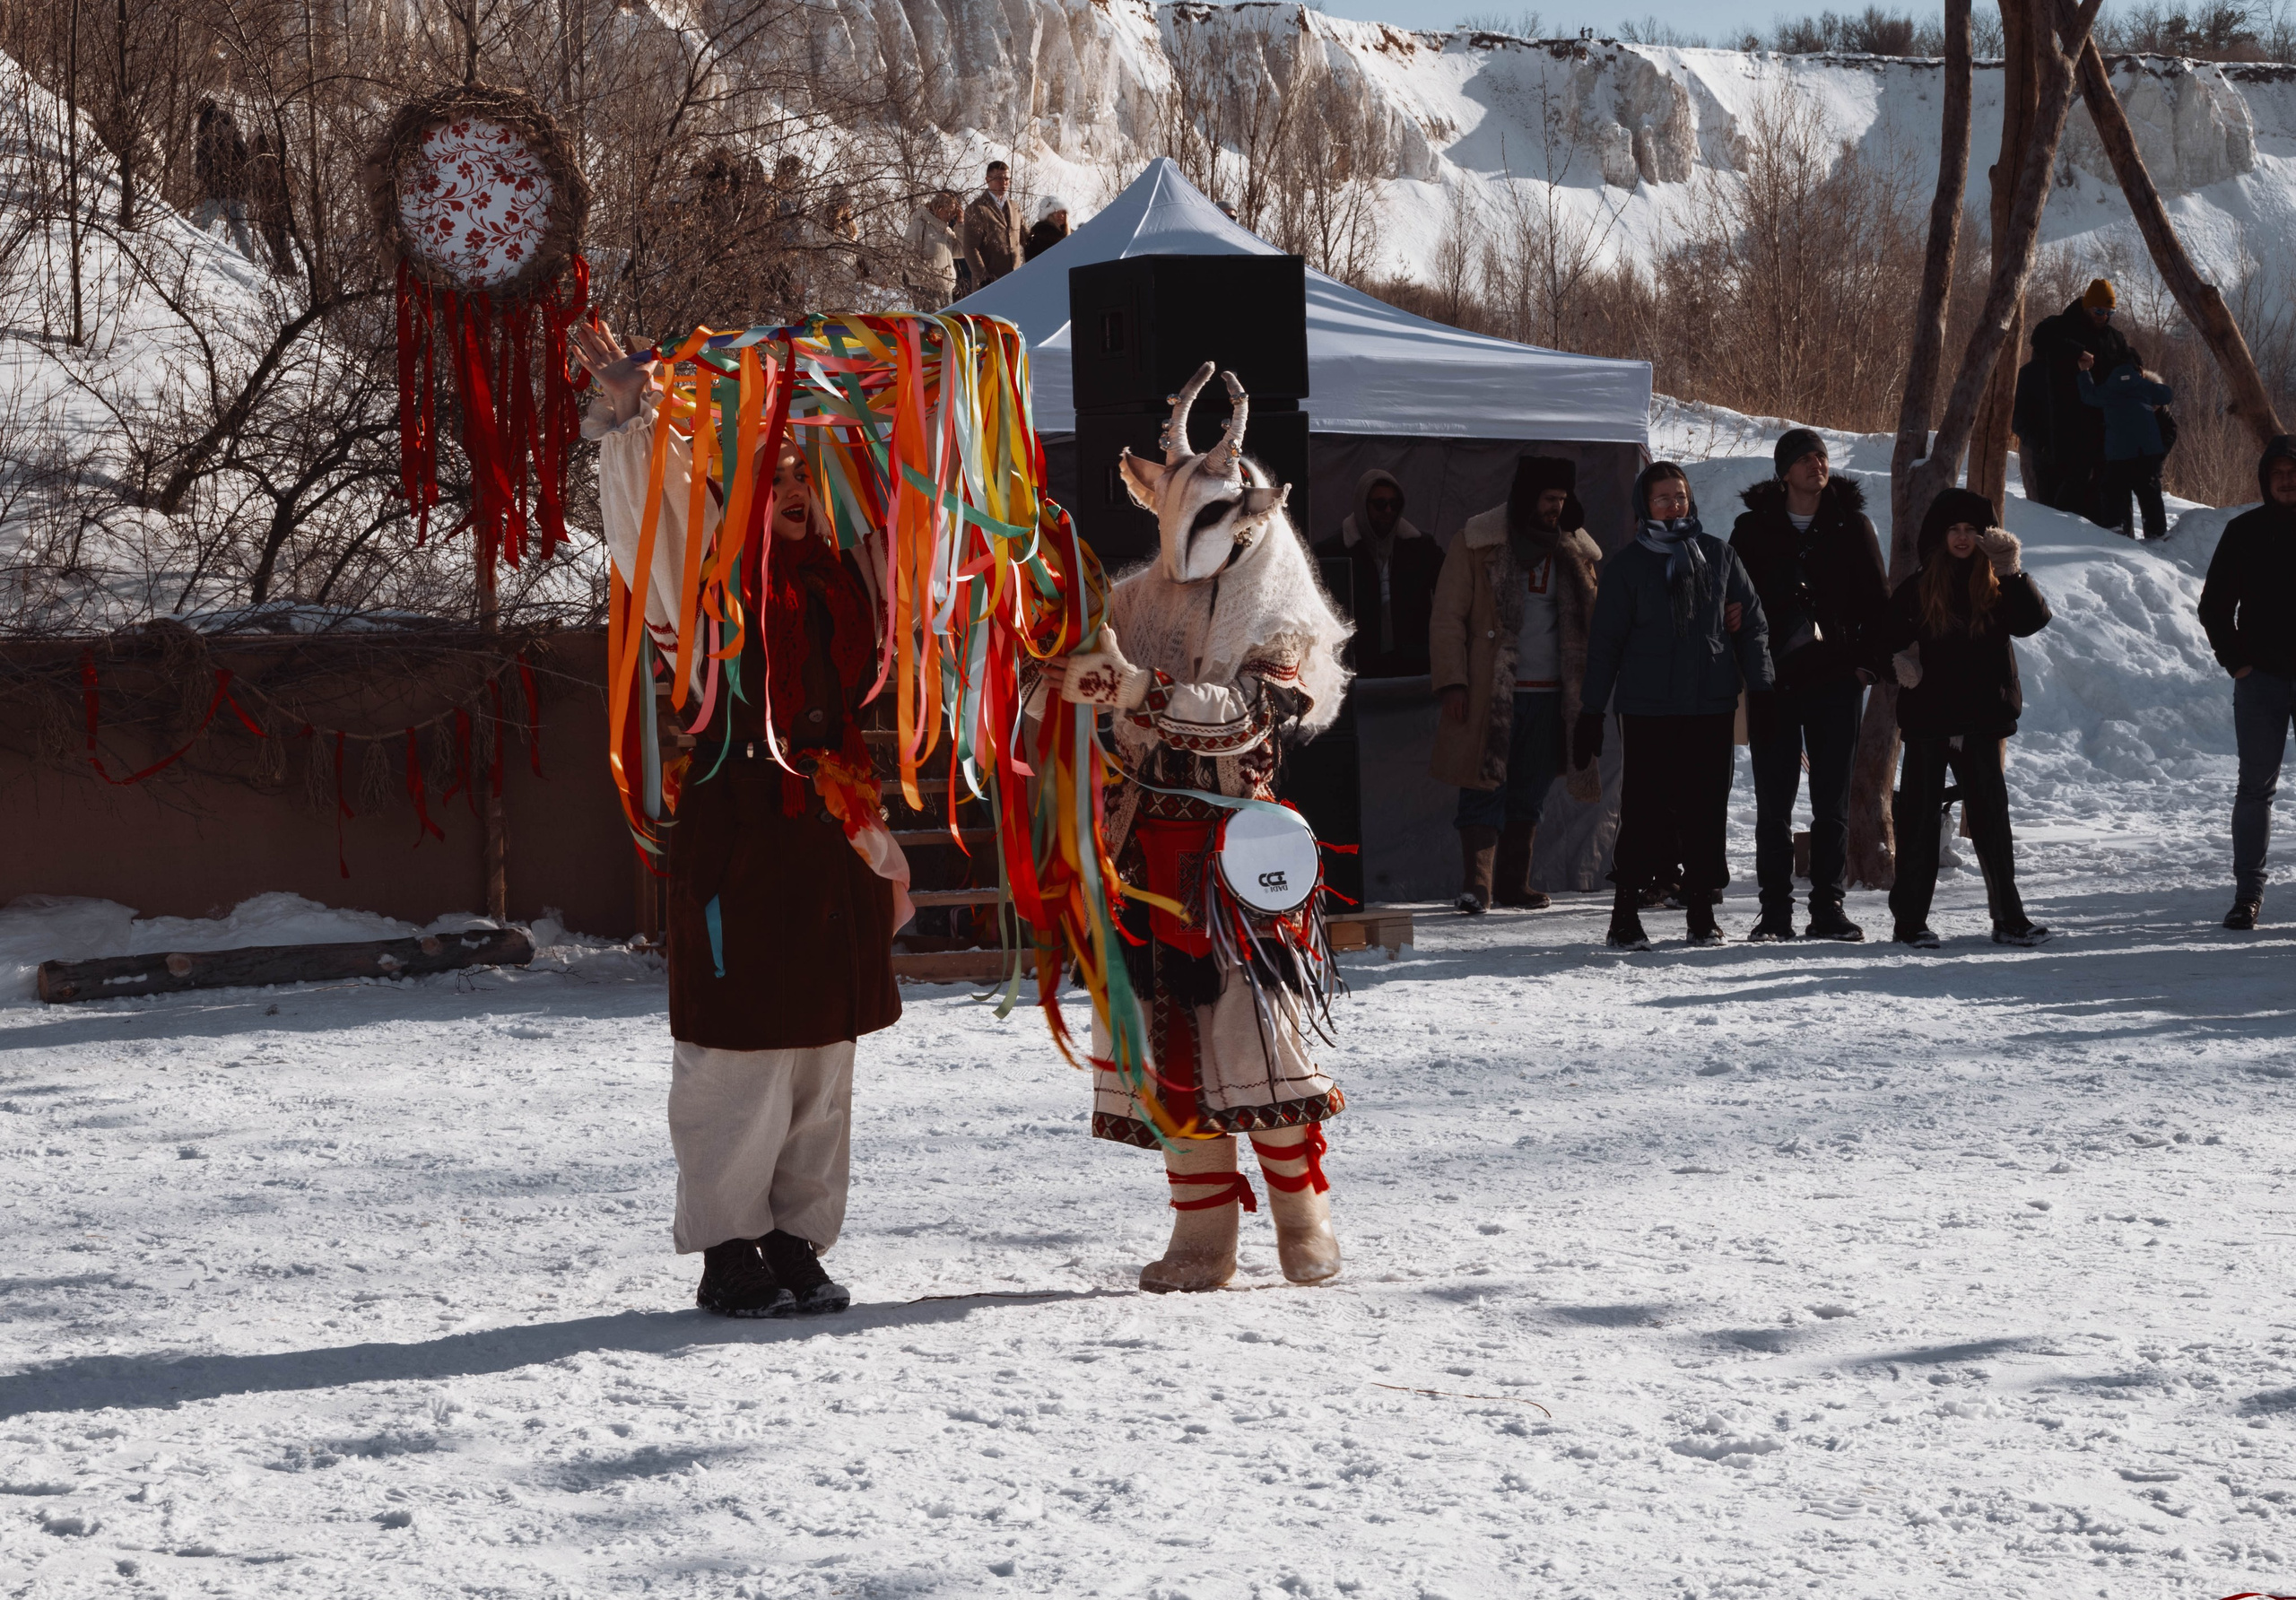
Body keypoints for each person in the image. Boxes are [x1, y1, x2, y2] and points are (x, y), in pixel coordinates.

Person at [570, 319, 908, 1319]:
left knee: (823, 1058)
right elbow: (645, 527)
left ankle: (796, 1237)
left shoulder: (848, 582)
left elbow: (926, 557)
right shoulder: (706, 594)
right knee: (740, 1058)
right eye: (776, 477)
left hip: (836, 838)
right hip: (743, 840)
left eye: (807, 475)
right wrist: (628, 418)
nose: (796, 491)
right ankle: (730, 1244)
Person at [1038, 362, 1352, 1295]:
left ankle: (1303, 1215)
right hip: (1141, 853)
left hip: (1236, 858)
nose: (1180, 544)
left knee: (1257, 1037)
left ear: (1252, 515)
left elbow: (1252, 714)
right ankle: (1201, 1232)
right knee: (1164, 1040)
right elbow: (1083, 659)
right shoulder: (1135, 601)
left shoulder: (1284, 615)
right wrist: (1058, 668)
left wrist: (1138, 690)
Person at [1577, 461, 1771, 950]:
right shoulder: (1627, 566)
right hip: (1648, 709)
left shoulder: (1719, 556)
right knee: (1644, 811)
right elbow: (1604, 647)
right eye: (1662, 498)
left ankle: (1702, 913)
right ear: (1645, 505)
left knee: (1706, 808)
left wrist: (1763, 691)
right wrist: (1591, 712)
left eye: (1680, 496)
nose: (1673, 505)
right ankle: (1625, 916)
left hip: (1710, 706)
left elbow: (1752, 624)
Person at [1727, 430, 1890, 942]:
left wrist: (1864, 667)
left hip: (1836, 680)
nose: (1816, 465)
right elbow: (1731, 600)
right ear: (1784, 472)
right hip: (1773, 680)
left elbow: (1877, 607)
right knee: (1774, 801)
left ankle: (1828, 907)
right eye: (1803, 459)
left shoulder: (1853, 525)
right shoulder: (1752, 530)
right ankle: (1775, 910)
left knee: (1830, 800)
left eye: (1821, 456)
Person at [1428, 456, 1603, 914]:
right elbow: (1447, 618)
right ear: (1528, 497)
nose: (1556, 509)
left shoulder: (1576, 552)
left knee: (1531, 790)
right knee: (1483, 784)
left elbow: (1593, 622)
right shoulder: (1477, 543)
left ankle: (1513, 884)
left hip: (1552, 694)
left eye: (1563, 501)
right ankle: (1477, 886)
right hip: (1492, 690)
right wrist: (1453, 682)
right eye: (1549, 499)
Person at [1883, 488, 2053, 949]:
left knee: (1992, 820)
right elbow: (1883, 640)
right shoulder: (1918, 586)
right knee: (1918, 822)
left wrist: (2011, 571)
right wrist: (1901, 663)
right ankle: (1910, 922)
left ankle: (2009, 918)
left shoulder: (1998, 584)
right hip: (1929, 719)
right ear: (1940, 536)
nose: (1963, 538)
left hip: (1981, 718)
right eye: (1954, 530)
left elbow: (2033, 622)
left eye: (1972, 531)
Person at [2198, 434, 2296, 930]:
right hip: (2262, 679)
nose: (2286, 479)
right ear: (2265, 479)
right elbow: (2213, 606)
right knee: (2255, 790)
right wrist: (2237, 662)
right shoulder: (2244, 531)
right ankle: (2247, 896)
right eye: (2277, 472)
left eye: (2293, 470)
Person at [1316, 468, 1443, 680]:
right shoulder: (1333, 552)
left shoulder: (1420, 548)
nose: (1388, 511)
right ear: (1362, 505)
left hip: (1413, 666)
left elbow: (1451, 592)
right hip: (1357, 667)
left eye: (1394, 504)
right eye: (1380, 504)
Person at [2031, 279, 2137, 526]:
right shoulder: (2061, 326)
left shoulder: (2113, 337)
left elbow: (2127, 357)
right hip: (2068, 421)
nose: (2103, 317)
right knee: (2071, 481)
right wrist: (2076, 351)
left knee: (2104, 482)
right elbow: (2039, 337)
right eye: (2099, 311)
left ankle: (2105, 534)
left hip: (2103, 423)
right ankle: (2058, 530)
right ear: (2086, 307)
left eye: (2109, 312)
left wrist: (2136, 367)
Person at [2077, 352, 2173, 541]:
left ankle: (2115, 525)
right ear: (2139, 369)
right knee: (2149, 491)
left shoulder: (2108, 389)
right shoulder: (2145, 386)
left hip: (2118, 453)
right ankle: (2156, 532)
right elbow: (2166, 395)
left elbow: (2088, 395)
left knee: (2114, 490)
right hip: (2148, 451)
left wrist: (2084, 372)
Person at [190, 100, 259, 260]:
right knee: (241, 231)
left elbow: (203, 154)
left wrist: (201, 176)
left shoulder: (207, 125)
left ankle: (190, 255)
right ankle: (252, 262)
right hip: (239, 189)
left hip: (217, 188)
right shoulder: (234, 131)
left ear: (201, 111)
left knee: (198, 224)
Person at [961, 161, 1025, 289]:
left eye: (1007, 179)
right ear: (987, 179)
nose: (1004, 183)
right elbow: (970, 248)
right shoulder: (977, 209)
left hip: (1016, 280)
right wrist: (984, 277)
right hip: (990, 284)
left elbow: (1026, 237)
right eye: (999, 179)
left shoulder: (1014, 206)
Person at [248, 129, 295, 275]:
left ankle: (288, 269)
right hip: (283, 198)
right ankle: (286, 268)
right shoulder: (278, 152)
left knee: (273, 232)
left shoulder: (263, 150)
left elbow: (268, 175)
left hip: (274, 200)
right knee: (275, 233)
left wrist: (259, 188)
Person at [904, 189, 962, 305]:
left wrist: (960, 223)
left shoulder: (946, 231)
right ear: (938, 208)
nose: (951, 217)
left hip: (946, 290)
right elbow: (909, 259)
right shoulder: (919, 225)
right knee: (933, 323)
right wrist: (929, 279)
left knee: (946, 323)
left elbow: (961, 251)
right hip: (925, 290)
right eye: (949, 212)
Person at [2012, 351, 2054, 506]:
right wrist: (2035, 443)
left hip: (2053, 448)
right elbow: (2016, 418)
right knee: (2038, 502)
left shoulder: (2065, 370)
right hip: (2034, 447)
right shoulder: (2028, 373)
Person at [1023, 195, 1071, 260]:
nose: (1061, 216)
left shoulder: (1071, 236)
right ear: (1048, 215)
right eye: (1056, 212)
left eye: (1063, 212)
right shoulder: (1039, 237)